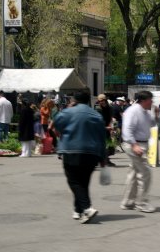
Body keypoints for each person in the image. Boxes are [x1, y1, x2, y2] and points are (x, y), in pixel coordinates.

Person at [54, 92, 106, 224]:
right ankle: (78, 211)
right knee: (83, 182)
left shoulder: (69, 112)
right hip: (91, 152)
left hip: (72, 150)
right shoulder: (96, 115)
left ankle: (87, 208)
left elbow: (57, 123)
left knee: (74, 182)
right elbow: (102, 137)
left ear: (74, 100)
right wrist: (103, 157)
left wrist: (70, 107)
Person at [120, 91, 156, 213]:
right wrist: (134, 145)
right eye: (150, 100)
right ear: (143, 100)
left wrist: (156, 115)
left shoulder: (145, 111)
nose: (152, 102)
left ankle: (128, 201)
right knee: (145, 174)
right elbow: (127, 129)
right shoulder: (133, 111)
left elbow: (152, 123)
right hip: (135, 145)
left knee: (134, 174)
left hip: (141, 144)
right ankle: (141, 203)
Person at [96, 94, 115, 167]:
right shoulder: (97, 109)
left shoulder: (109, 108)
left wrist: (111, 125)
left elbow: (111, 118)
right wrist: (105, 127)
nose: (101, 102)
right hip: (100, 129)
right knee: (103, 146)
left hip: (108, 129)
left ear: (105, 100)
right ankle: (103, 160)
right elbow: (97, 121)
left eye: (102, 100)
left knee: (110, 147)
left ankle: (105, 159)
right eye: (100, 101)